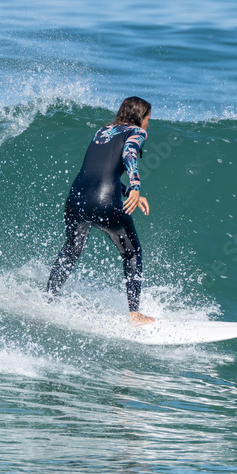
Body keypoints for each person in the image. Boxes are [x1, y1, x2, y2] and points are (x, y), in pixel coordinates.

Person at [45, 96, 154, 325]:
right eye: (147, 119)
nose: (147, 125)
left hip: (76, 198)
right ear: (139, 117)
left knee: (72, 249)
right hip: (104, 202)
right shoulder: (137, 132)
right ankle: (134, 314)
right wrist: (135, 186)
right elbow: (129, 154)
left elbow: (101, 173)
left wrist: (126, 191)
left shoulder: (103, 131)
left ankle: (46, 300)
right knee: (132, 253)